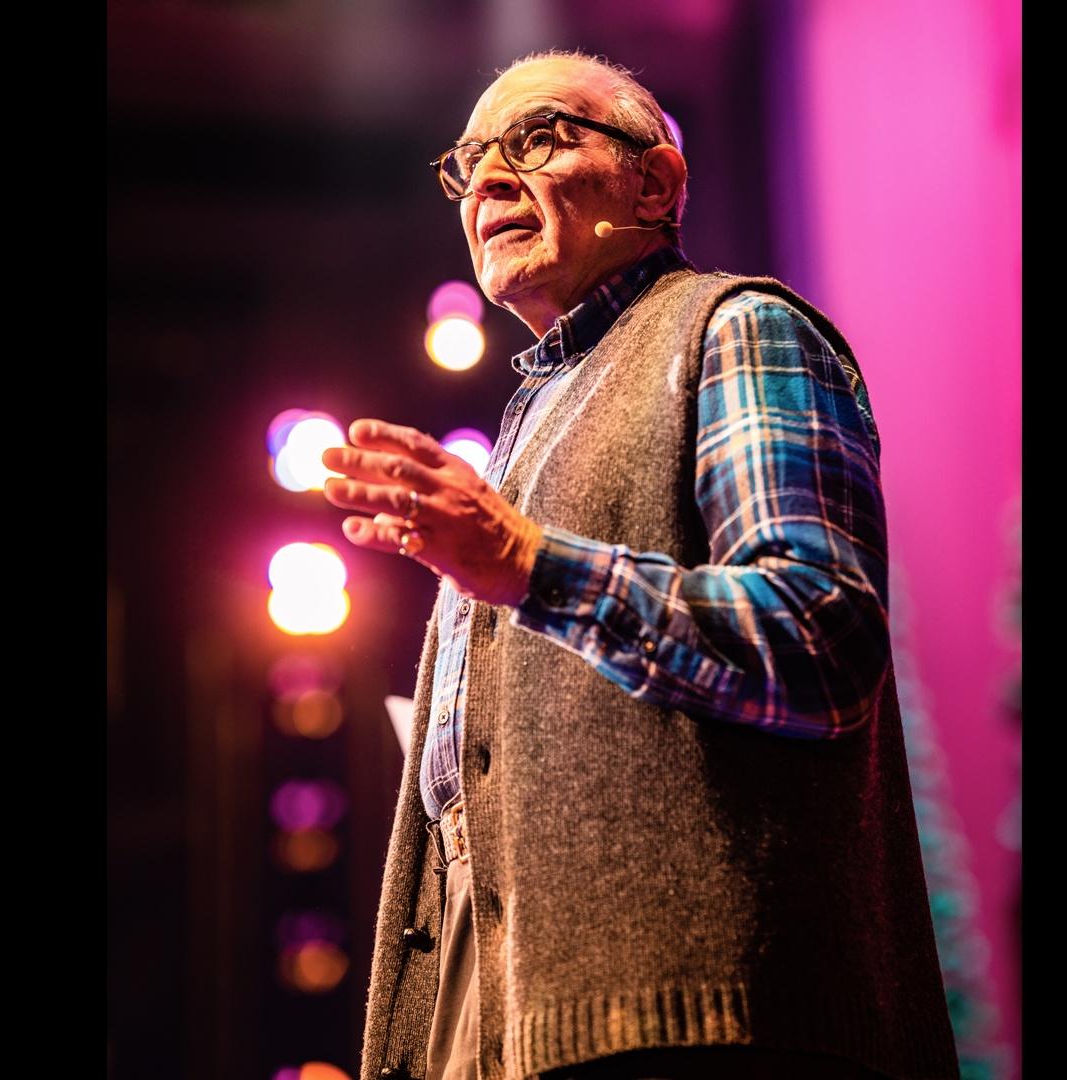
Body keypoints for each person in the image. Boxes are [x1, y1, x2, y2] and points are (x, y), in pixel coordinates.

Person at [321, 51, 958, 1080]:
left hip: (695, 1023)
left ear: (654, 184)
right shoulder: (528, 422)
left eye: (538, 139)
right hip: (495, 1023)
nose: (485, 182)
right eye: (469, 161)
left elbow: (819, 637)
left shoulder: (735, 328)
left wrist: (528, 561)